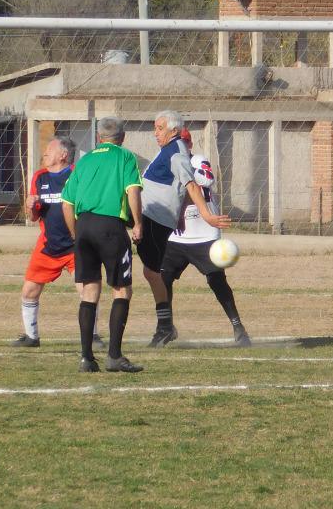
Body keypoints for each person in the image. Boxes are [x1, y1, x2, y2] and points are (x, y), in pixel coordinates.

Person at [60, 116, 146, 373]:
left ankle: (86, 358)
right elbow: (133, 190)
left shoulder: (84, 161)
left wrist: (75, 233)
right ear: (123, 137)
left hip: (84, 226)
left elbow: (67, 204)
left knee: (89, 291)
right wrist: (138, 224)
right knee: (121, 289)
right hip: (110, 227)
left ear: (99, 138)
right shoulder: (125, 157)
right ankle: (114, 356)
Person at [139, 110, 230, 346]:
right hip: (155, 218)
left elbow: (191, 186)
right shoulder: (168, 150)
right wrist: (179, 215)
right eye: (155, 127)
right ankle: (165, 326)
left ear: (174, 131)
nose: (155, 132)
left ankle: (165, 327)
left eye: (160, 128)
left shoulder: (177, 153)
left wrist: (207, 215)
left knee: (152, 273)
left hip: (155, 219)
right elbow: (179, 188)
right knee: (152, 273)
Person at [159, 153, 252, 346]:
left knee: (217, 281)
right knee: (163, 279)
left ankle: (238, 328)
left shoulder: (197, 161)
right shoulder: (163, 162)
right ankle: (166, 327)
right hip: (176, 235)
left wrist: (184, 174)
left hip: (204, 233)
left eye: (184, 142)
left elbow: (206, 180)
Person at [13, 136, 97, 348]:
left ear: (63, 155)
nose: (45, 153)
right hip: (48, 245)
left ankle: (93, 336)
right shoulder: (40, 177)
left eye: (50, 149)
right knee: (29, 291)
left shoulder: (77, 174)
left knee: (86, 290)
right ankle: (32, 337)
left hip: (75, 245)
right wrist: (30, 205)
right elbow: (33, 217)